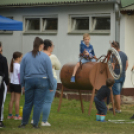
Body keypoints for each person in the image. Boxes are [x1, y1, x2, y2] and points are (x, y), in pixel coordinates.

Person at [18, 37, 55, 128]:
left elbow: (21, 72)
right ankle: (35, 124)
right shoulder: (45, 57)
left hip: (29, 81)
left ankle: (24, 123)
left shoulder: (26, 56)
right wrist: (51, 85)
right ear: (42, 45)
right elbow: (49, 73)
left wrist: (22, 84)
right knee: (38, 103)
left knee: (28, 103)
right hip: (42, 81)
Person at [31, 39, 61, 126]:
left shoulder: (38, 55)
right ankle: (44, 121)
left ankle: (34, 119)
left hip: (39, 79)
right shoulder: (53, 57)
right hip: (51, 80)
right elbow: (58, 66)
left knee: (39, 100)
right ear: (49, 47)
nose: (53, 48)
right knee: (47, 101)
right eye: (53, 46)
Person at [109, 41, 128, 113]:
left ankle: (118, 109)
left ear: (114, 47)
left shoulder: (113, 55)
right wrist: (122, 72)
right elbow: (126, 65)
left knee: (116, 93)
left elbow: (112, 66)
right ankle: (116, 107)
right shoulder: (124, 54)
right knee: (118, 92)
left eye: (111, 47)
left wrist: (111, 74)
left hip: (116, 76)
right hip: (123, 75)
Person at [8, 52, 23, 120]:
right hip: (17, 84)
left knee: (12, 100)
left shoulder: (11, 65)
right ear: (18, 58)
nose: (21, 59)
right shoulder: (19, 66)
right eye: (21, 57)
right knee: (17, 100)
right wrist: (22, 85)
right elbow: (20, 77)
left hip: (11, 84)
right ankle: (17, 115)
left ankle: (10, 115)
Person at [0, 42, 9, 128]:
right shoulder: (3, 59)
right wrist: (6, 82)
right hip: (1, 81)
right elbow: (6, 72)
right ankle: (0, 121)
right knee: (1, 102)